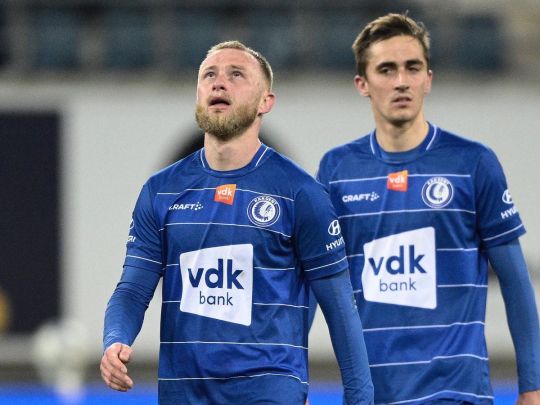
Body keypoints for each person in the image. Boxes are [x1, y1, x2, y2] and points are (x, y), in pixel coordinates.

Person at [100, 40, 374, 404]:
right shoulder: (160, 191)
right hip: (184, 394)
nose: (219, 82)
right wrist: (115, 339)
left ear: (265, 102)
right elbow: (132, 290)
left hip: (270, 393)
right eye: (209, 75)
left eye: (236, 75)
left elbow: (341, 310)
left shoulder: (301, 193)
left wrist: (360, 399)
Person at [315, 12, 540, 405]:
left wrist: (532, 386)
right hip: (373, 395)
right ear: (362, 84)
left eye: (412, 67)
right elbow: (314, 282)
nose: (401, 81)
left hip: (457, 392)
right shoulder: (336, 171)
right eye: (386, 69)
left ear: (428, 79)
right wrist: (296, 380)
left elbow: (515, 282)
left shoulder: (472, 163)